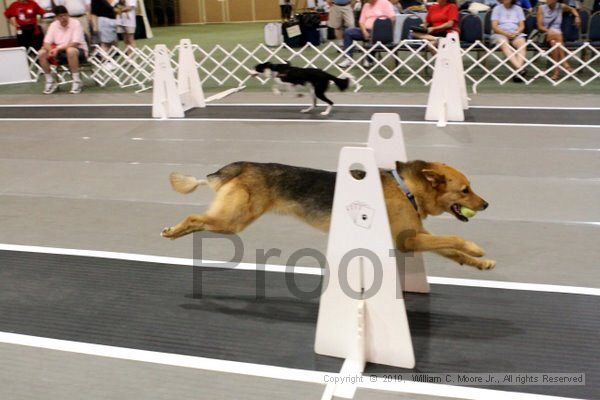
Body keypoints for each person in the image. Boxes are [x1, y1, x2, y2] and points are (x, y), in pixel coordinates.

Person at [38, 5, 88, 94]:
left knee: (70, 50)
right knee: (41, 53)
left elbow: (75, 43)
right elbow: (46, 43)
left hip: (79, 51)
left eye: (65, 15)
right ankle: (50, 81)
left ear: (68, 15)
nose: (64, 18)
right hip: (60, 52)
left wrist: (58, 49)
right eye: (61, 16)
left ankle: (77, 81)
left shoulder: (76, 23)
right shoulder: (53, 25)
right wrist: (51, 50)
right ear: (56, 17)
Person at [337, 0, 396, 68]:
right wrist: (364, 31)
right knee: (348, 32)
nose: (366, 1)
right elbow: (361, 22)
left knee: (374, 37)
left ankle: (369, 60)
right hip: (366, 30)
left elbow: (393, 18)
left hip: (381, 31)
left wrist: (383, 27)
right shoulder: (366, 5)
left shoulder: (384, 2)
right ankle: (348, 59)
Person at [536, 0, 580, 80]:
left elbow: (572, 9)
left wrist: (577, 17)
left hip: (557, 38)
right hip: (545, 34)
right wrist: (550, 31)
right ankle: (565, 63)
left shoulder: (561, 7)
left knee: (554, 43)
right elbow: (540, 27)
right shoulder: (541, 8)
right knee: (557, 35)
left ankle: (556, 73)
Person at [491, 0, 527, 82]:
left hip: (515, 33)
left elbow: (522, 26)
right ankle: (520, 68)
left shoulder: (518, 9)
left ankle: (518, 71)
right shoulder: (497, 9)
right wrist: (505, 33)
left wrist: (516, 32)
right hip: (500, 33)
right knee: (504, 43)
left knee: (522, 42)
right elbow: (494, 27)